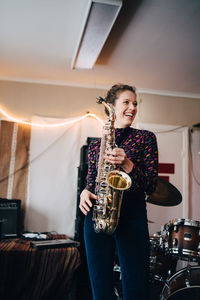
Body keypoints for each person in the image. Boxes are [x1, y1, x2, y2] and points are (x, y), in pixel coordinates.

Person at [79, 84, 158, 300]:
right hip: (97, 214)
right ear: (111, 107)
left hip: (131, 215)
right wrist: (84, 192)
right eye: (126, 102)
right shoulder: (96, 144)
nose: (132, 107)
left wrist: (128, 164)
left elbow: (151, 185)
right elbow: (90, 181)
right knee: (99, 286)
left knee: (135, 285)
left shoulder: (146, 138)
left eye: (135, 103)